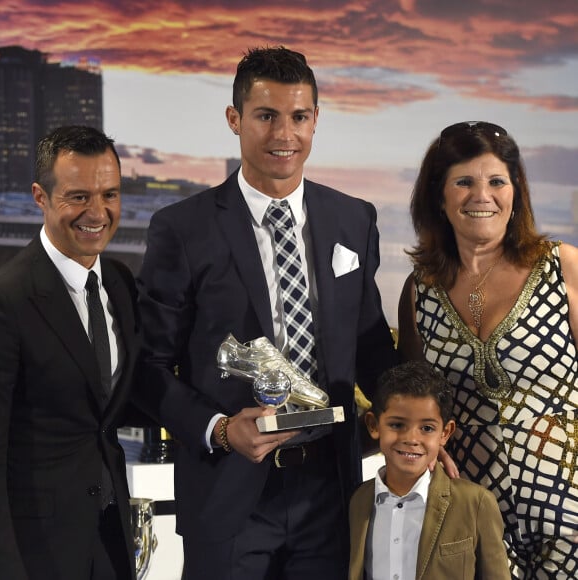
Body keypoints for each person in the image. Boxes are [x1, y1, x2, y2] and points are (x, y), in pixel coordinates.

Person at [137, 46, 397, 580]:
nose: (285, 134)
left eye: (299, 117)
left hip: (331, 489)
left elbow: (372, 348)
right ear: (234, 120)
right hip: (228, 490)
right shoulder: (182, 229)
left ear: (316, 120)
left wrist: (417, 429)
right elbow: (147, 367)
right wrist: (220, 429)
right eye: (266, 116)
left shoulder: (353, 219)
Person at [397, 121, 578, 578]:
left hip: (572, 511)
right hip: (476, 521)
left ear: (516, 192)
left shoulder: (562, 266)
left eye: (497, 181)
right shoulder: (420, 290)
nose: (483, 196)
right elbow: (417, 404)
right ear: (439, 195)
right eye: (464, 182)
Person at [0, 126, 141, 579]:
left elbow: (119, 401)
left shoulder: (119, 281)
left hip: (111, 539)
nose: (97, 212)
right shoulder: (9, 297)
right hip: (36, 550)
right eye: (78, 197)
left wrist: (217, 425)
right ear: (41, 196)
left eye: (110, 194)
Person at [349, 360, 509, 580]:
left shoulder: (476, 503)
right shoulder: (359, 501)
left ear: (445, 432)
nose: (411, 439)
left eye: (427, 428)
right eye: (397, 425)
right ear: (373, 426)